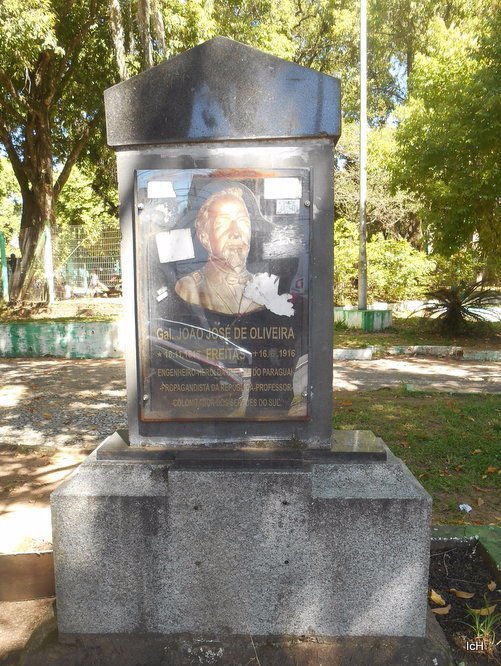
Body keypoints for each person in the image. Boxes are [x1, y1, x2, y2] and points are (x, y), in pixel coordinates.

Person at [175, 187, 262, 315]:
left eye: (242, 220)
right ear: (205, 237)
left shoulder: (265, 288)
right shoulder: (189, 288)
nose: (236, 232)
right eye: (224, 222)